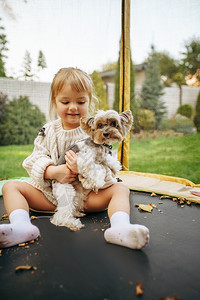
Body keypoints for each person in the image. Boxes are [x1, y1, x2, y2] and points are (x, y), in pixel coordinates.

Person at [0, 67, 149, 249]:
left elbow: (108, 168)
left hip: (88, 198)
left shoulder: (98, 130)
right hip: (50, 196)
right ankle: (21, 226)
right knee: (11, 186)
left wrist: (83, 170)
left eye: (80, 101)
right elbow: (33, 159)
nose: (73, 107)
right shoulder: (48, 131)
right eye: (65, 101)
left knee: (120, 189)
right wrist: (53, 171)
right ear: (55, 102)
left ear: (89, 101)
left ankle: (121, 228)